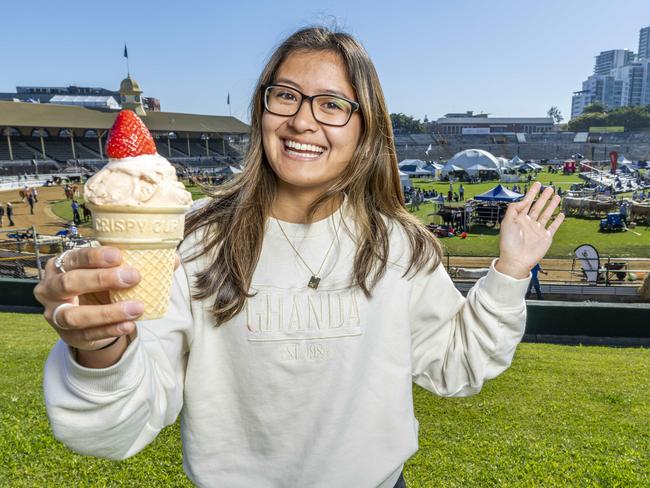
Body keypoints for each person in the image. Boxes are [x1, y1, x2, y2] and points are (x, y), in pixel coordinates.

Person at [35, 27, 564, 488]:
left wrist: (512, 270)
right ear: (262, 110)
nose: (303, 121)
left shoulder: (397, 244)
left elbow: (457, 367)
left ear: (365, 129)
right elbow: (117, 427)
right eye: (285, 96)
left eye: (333, 104)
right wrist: (101, 347)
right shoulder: (192, 238)